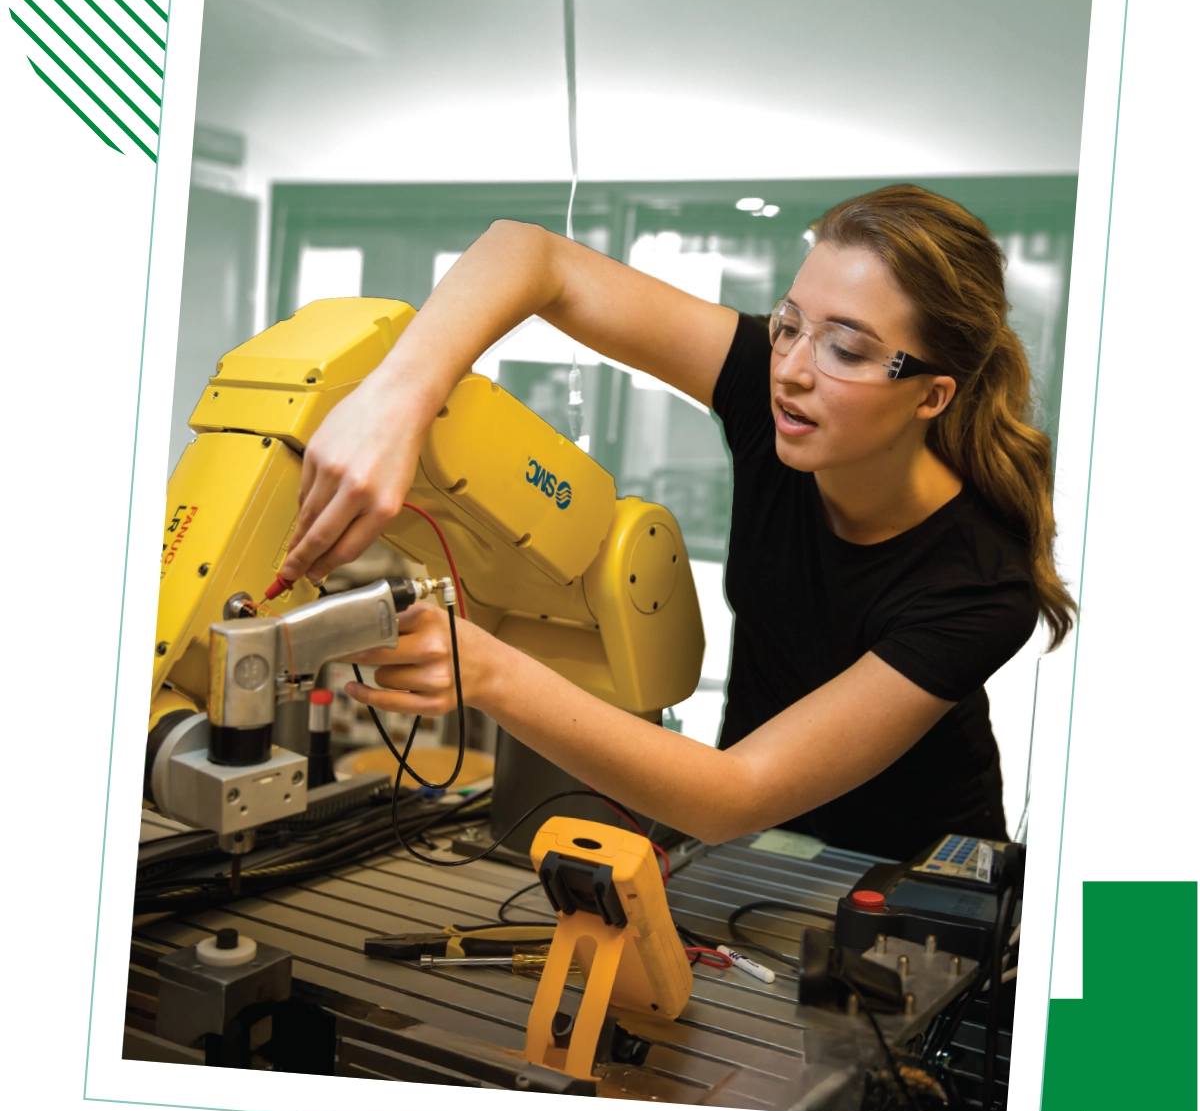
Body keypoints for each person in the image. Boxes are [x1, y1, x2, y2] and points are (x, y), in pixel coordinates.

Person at [279, 185, 1075, 858]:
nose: (792, 368)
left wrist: (487, 673)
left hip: (902, 881)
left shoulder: (978, 581)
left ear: (932, 394)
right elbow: (533, 256)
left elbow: (736, 793)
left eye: (847, 349)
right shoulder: (780, 396)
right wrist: (397, 399)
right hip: (746, 861)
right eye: (790, 323)